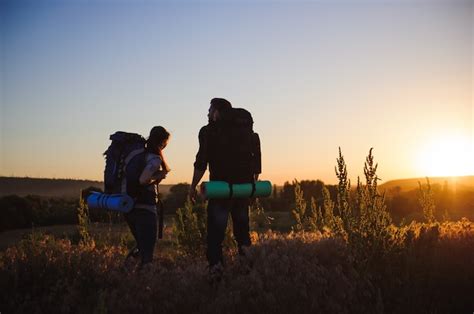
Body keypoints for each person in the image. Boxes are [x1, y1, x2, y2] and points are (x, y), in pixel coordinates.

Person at [189, 98, 261, 277]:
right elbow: (255, 164)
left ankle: (216, 275)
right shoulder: (248, 133)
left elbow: (201, 163)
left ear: (217, 112)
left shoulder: (209, 132)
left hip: (220, 191)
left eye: (210, 110)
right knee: (243, 236)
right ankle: (247, 274)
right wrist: (251, 189)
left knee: (215, 238)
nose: (207, 113)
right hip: (242, 190)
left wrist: (193, 187)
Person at [124, 126, 171, 269]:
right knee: (147, 252)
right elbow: (143, 180)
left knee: (141, 245)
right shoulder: (155, 159)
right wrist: (158, 175)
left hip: (129, 207)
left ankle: (127, 273)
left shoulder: (137, 154)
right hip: (145, 209)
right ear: (162, 142)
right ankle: (144, 281)